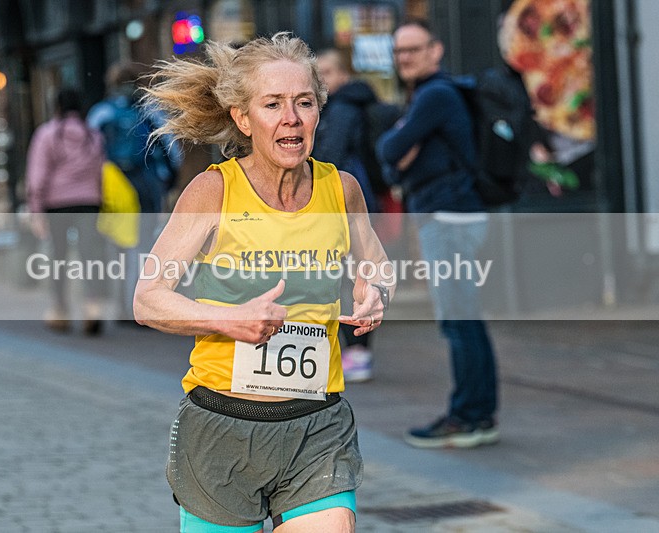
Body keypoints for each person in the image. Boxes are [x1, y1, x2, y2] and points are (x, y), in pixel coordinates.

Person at [134, 32, 394, 532]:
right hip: (220, 428)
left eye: (303, 103)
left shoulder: (342, 190)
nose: (291, 118)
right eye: (272, 104)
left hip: (316, 428)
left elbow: (375, 265)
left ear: (320, 110)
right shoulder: (214, 190)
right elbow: (148, 300)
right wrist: (229, 319)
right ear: (242, 118)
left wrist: (373, 292)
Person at [377, 19, 500, 449]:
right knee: (464, 318)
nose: (404, 58)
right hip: (452, 216)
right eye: (399, 52)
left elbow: (389, 150)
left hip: (449, 220)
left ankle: (469, 416)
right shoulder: (428, 96)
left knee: (457, 320)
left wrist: (400, 146)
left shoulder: (435, 95)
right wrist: (399, 151)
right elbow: (393, 161)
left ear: (436, 50)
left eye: (413, 49)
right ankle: (477, 412)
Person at [88, 61, 181, 322]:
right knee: (141, 248)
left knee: (113, 246)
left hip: (112, 189)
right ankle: (136, 306)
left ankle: (118, 304)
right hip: (145, 185)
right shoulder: (151, 112)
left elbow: (89, 154)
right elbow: (172, 151)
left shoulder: (101, 113)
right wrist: (168, 181)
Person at [313, 49, 379, 382]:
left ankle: (357, 351)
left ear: (343, 75)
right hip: (354, 198)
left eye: (327, 71)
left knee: (350, 278)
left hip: (344, 200)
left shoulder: (342, 108)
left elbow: (330, 155)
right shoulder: (346, 106)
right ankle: (355, 350)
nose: (321, 79)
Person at [26, 88, 107, 335]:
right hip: (89, 202)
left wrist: (35, 210)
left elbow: (37, 177)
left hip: (57, 204)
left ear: (57, 107)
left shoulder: (46, 134)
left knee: (58, 258)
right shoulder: (93, 135)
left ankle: (60, 311)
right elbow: (101, 171)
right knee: (89, 256)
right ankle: (92, 307)